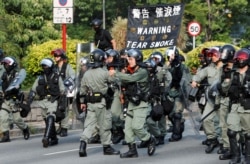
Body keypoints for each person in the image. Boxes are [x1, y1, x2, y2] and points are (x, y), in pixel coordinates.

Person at [109, 48, 156, 158]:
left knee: (137, 127)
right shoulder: (131, 70)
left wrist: (116, 73)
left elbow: (131, 79)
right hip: (131, 103)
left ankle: (149, 139)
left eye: (131, 59)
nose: (129, 61)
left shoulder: (142, 71)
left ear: (137, 59)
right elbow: (124, 82)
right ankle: (132, 150)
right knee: (128, 128)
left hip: (141, 104)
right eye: (128, 59)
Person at [78, 49, 120, 157]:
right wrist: (114, 74)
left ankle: (83, 145)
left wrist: (82, 102)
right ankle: (106, 147)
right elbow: (115, 82)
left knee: (89, 125)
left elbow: (82, 90)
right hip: (103, 103)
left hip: (91, 103)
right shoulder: (104, 73)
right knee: (105, 125)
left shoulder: (86, 74)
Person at [26, 58, 66, 148]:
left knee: (51, 116)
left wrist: (62, 104)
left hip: (53, 100)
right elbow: (33, 91)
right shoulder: (40, 78)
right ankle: (54, 138)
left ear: (51, 66)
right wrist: (28, 102)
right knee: (47, 121)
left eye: (47, 66)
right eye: (43, 66)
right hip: (42, 102)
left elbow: (63, 91)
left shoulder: (57, 77)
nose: (45, 68)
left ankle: (46, 138)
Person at [220, 48, 250, 164]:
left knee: (248, 135)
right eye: (239, 57)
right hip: (235, 106)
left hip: (247, 107)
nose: (241, 60)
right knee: (231, 132)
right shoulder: (232, 74)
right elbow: (224, 89)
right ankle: (235, 156)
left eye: (243, 57)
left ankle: (247, 157)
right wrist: (227, 78)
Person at [191, 48, 223, 153]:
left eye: (214, 54)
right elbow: (199, 75)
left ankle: (225, 144)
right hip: (211, 99)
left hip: (223, 99)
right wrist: (195, 81)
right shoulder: (209, 68)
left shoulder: (227, 68)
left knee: (223, 123)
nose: (212, 57)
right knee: (206, 119)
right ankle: (212, 139)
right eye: (211, 55)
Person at [0, 56, 30, 143]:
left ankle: (25, 128)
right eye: (4, 64)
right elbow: (2, 85)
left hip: (14, 100)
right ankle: (6, 136)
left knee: (17, 119)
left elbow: (17, 85)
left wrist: (14, 88)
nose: (5, 66)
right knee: (3, 116)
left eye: (7, 64)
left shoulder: (17, 75)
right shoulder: (4, 75)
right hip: (6, 100)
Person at [165, 47, 192, 142]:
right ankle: (180, 124)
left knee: (177, 113)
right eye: (168, 57)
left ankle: (176, 134)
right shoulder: (168, 67)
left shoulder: (182, 66)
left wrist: (186, 93)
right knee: (170, 114)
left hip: (179, 93)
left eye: (171, 56)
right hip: (170, 93)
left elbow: (187, 79)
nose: (170, 58)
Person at [51, 48, 76, 137]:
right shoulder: (54, 67)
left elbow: (73, 76)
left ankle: (64, 128)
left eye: (57, 55)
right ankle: (61, 126)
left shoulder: (67, 66)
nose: (55, 57)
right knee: (57, 110)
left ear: (61, 56)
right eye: (54, 56)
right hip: (56, 92)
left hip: (65, 92)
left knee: (64, 109)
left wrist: (66, 86)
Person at [105, 49, 125, 144]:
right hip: (107, 93)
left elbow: (122, 81)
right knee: (107, 115)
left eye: (110, 57)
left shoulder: (119, 68)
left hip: (117, 92)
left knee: (115, 114)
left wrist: (114, 75)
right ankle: (113, 132)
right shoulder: (105, 68)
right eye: (107, 57)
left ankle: (120, 131)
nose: (108, 59)